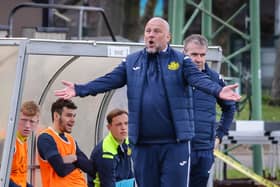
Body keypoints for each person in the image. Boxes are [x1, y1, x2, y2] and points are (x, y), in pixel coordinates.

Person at [54, 17, 241, 187]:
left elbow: (199, 79)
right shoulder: (132, 62)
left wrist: (219, 90)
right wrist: (80, 89)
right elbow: (108, 80)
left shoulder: (181, 61)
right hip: (143, 145)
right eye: (148, 31)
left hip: (175, 145)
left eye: (157, 31)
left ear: (168, 37)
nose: (151, 35)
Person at [183, 34, 236, 187]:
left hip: (204, 150)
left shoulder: (215, 79)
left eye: (202, 55)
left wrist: (218, 136)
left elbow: (229, 109)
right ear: (185, 53)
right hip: (178, 148)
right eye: (194, 54)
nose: (198, 59)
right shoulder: (174, 76)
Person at [37, 98, 94, 187]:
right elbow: (61, 169)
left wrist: (74, 158)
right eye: (68, 115)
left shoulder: (71, 140)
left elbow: (89, 167)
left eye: (74, 116)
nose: (73, 120)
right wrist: (78, 164)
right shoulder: (46, 138)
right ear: (56, 116)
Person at [87, 108, 134, 187]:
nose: (123, 127)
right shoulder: (106, 152)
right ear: (109, 127)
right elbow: (108, 184)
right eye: (119, 124)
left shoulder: (126, 142)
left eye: (126, 123)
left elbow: (129, 173)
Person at [9, 101, 40, 187]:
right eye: (24, 120)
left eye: (32, 121)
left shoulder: (23, 141)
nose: (27, 125)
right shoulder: (9, 142)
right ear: (16, 119)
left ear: (37, 123)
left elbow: (19, 176)